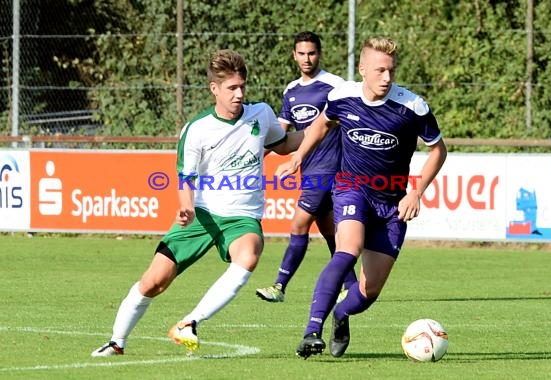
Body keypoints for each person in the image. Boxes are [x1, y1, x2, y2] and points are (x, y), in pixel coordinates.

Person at [91, 49, 305, 357]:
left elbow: (283, 143)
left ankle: (189, 322)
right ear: (214, 89)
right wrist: (186, 206)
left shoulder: (260, 114)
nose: (239, 94)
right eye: (232, 88)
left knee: (249, 255)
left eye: (242, 86)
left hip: (242, 216)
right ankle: (116, 341)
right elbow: (185, 178)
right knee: (154, 281)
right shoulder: (197, 129)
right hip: (202, 215)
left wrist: (325, 128)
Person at [276, 37, 447, 359]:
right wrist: (299, 155)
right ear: (363, 69)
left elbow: (438, 150)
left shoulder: (412, 106)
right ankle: (311, 331)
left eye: (391, 71)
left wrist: (416, 192)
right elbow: (322, 124)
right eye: (380, 70)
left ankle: (341, 315)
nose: (387, 77)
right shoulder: (342, 96)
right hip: (351, 189)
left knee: (369, 291)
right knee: (347, 250)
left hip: (392, 203)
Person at [256, 31, 357, 303]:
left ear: (319, 54)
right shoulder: (291, 90)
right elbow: (280, 134)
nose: (306, 58)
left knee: (299, 225)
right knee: (329, 231)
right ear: (294, 55)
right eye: (301, 53)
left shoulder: (335, 85)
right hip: (308, 169)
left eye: (311, 53)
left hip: (330, 168)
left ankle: (279, 286)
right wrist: (256, 155)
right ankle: (352, 286)